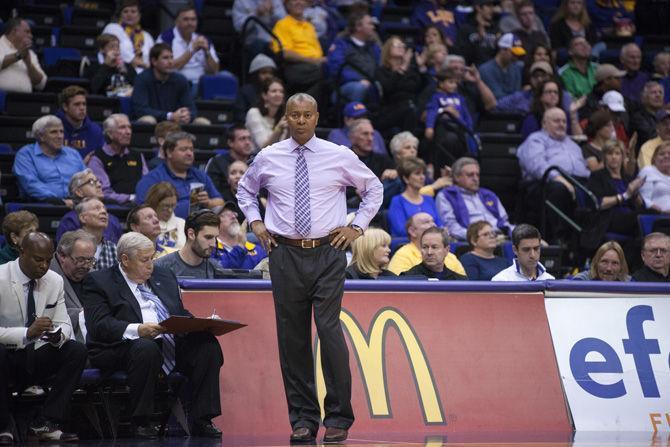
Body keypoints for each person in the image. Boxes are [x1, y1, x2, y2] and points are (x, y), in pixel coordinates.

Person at [237, 92, 383, 443]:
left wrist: (357, 227)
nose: (300, 121)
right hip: (284, 253)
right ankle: (302, 419)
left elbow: (373, 189)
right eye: (294, 115)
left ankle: (338, 418)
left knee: (329, 332)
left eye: (307, 115)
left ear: (317, 117)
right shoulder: (268, 157)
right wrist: (256, 223)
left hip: (328, 251)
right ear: (286, 118)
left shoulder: (339, 155)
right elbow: (244, 191)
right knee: (293, 339)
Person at [82, 232, 224, 438]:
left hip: (167, 342)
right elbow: (99, 325)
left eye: (153, 258)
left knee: (206, 345)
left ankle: (202, 420)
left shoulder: (163, 275)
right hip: (120, 348)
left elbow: (178, 312)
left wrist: (202, 324)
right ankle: (141, 421)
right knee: (145, 347)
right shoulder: (99, 281)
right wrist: (138, 329)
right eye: (145, 260)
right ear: (125, 260)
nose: (151, 265)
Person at [0, 233, 86, 443]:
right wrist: (27, 332)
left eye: (49, 260)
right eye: (39, 259)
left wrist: (58, 336)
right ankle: (3, 426)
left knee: (76, 350)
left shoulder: (54, 281)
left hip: (37, 354)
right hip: (7, 356)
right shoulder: (1, 278)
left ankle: (46, 421)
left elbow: (64, 323)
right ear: (22, 252)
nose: (44, 265)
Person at [516, 107, 590, 241]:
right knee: (558, 189)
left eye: (564, 121)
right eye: (556, 121)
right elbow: (536, 164)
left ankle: (588, 242)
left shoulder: (573, 144)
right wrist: (558, 178)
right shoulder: (536, 139)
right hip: (545, 183)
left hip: (577, 182)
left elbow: (584, 168)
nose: (561, 124)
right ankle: (559, 239)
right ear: (544, 123)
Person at [135, 131, 224, 218]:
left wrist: (208, 202)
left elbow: (220, 202)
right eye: (183, 149)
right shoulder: (152, 179)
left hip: (198, 226)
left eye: (191, 149)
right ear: (169, 152)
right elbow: (143, 211)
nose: (189, 153)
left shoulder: (200, 176)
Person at [13, 115, 86, 206]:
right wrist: (59, 202)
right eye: (54, 132)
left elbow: (86, 179)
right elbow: (31, 184)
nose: (60, 136)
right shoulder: (25, 155)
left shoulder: (73, 154)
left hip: (78, 205)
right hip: (43, 206)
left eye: (61, 132)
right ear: (41, 136)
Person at [436, 157, 514, 241]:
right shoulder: (446, 195)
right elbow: (451, 228)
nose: (475, 178)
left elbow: (504, 221)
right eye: (470, 175)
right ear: (456, 177)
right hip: (471, 241)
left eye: (477, 175)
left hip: (499, 237)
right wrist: (478, 237)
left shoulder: (488, 194)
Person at [156, 5, 220, 97]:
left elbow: (215, 70)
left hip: (202, 82)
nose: (190, 23)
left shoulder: (203, 39)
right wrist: (192, 50)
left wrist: (207, 52)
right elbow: (168, 67)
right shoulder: (166, 38)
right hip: (176, 82)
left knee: (227, 77)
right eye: (186, 19)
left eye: (193, 19)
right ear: (177, 22)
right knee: (184, 83)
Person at [271, 0, 327, 105]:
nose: (299, 2)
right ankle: (302, 108)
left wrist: (322, 60)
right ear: (287, 5)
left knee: (334, 72)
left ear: (306, 4)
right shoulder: (282, 24)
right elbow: (285, 53)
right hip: (294, 67)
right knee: (324, 73)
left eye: (302, 0)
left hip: (315, 65)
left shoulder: (309, 26)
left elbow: (318, 52)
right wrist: (312, 61)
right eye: (294, 0)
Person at [131, 43, 202, 125]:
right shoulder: (142, 79)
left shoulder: (180, 80)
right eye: (165, 58)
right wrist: (169, 116)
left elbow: (192, 109)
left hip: (176, 122)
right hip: (156, 122)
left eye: (172, 57)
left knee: (202, 122)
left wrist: (186, 115)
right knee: (148, 120)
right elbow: (140, 110)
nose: (170, 62)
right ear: (154, 61)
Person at [88, 114, 148, 205]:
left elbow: (147, 183)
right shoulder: (98, 158)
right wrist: (130, 198)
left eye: (129, 127)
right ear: (110, 134)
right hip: (114, 207)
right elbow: (103, 192)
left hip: (140, 203)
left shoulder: (138, 156)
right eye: (122, 127)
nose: (128, 132)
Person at [50, 230, 97, 343]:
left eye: (90, 260)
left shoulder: (93, 274)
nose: (86, 266)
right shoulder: (45, 276)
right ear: (62, 256)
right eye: (80, 260)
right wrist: (82, 314)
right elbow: (45, 317)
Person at [425, 68, 476, 168]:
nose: (454, 85)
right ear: (441, 83)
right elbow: (432, 112)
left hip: (459, 128)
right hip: (443, 129)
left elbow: (467, 118)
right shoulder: (436, 97)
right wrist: (429, 127)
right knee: (448, 140)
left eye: (455, 83)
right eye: (450, 82)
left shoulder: (460, 99)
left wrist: (458, 117)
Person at [387, 212, 466, 276]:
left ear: (446, 250)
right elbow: (399, 287)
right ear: (412, 231)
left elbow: (464, 286)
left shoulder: (451, 257)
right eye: (426, 222)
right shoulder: (402, 255)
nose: (433, 225)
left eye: (433, 221)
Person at [373, 36, 423, 137]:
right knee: (409, 109)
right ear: (388, 49)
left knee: (412, 109)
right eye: (397, 45)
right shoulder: (381, 71)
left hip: (411, 107)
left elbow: (415, 87)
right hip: (388, 111)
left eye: (403, 46)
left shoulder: (411, 71)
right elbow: (388, 89)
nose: (401, 47)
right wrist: (403, 68)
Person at [55, 170, 124, 243]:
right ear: (79, 192)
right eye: (91, 182)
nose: (99, 185)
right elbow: (64, 251)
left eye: (98, 181)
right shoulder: (70, 220)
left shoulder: (113, 220)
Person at [326, 10, 380, 103]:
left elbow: (381, 66)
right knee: (359, 88)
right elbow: (336, 68)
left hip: (371, 84)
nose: (373, 27)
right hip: (346, 87)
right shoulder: (341, 44)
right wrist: (359, 79)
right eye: (370, 24)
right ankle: (354, 116)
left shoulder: (373, 46)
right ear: (358, 26)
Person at [154, 210, 224, 277]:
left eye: (215, 238)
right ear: (191, 234)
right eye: (208, 237)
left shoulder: (216, 269)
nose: (213, 244)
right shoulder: (161, 266)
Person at [388, 157, 442, 237]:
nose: (422, 177)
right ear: (406, 178)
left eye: (423, 173)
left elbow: (439, 225)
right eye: (417, 173)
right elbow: (401, 230)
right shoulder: (397, 201)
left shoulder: (429, 199)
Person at [101, 0, 155, 71]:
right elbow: (121, 53)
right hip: (119, 71)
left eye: (133, 11)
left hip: (145, 73)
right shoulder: (113, 28)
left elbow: (154, 56)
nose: (129, 14)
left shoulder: (147, 36)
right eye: (125, 11)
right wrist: (144, 65)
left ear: (139, 15)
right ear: (120, 15)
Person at [56, 85, 105, 160]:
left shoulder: (95, 131)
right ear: (65, 107)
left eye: (84, 104)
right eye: (77, 104)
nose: (82, 108)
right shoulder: (52, 129)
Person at [212, 203, 267, 269]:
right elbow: (220, 270)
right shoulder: (211, 249)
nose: (233, 217)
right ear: (214, 224)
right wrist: (240, 246)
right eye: (225, 215)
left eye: (234, 214)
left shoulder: (256, 250)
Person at [401, 226, 467, 280]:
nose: (429, 252)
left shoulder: (460, 281)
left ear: (446, 250)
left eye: (434, 247)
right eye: (425, 247)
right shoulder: (407, 278)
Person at [0, 17, 47, 93]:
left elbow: (41, 84)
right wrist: (18, 55)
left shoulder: (31, 53)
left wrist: (29, 64)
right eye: (27, 32)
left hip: (23, 101)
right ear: (14, 31)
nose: (31, 36)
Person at [206, 124, 254, 197]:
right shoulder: (217, 163)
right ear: (230, 143)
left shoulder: (256, 161)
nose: (247, 142)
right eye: (242, 139)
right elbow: (212, 192)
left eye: (249, 138)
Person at [245, 77, 289, 151]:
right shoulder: (254, 113)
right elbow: (263, 147)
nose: (278, 94)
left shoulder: (283, 116)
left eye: (281, 91)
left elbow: (285, 146)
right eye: (274, 91)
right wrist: (279, 128)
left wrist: (289, 130)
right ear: (264, 95)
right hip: (255, 158)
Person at [479, 33, 526, 100]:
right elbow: (498, 97)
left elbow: (517, 93)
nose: (516, 58)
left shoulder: (516, 68)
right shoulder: (486, 70)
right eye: (513, 54)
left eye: (518, 55)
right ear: (503, 50)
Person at [233, 53, 278, 122]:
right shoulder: (245, 92)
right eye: (264, 73)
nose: (268, 76)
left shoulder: (277, 91)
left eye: (270, 73)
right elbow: (239, 116)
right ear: (255, 75)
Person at [75, 198, 117, 270]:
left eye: (105, 210)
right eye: (97, 209)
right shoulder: (71, 244)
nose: (104, 212)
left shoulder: (113, 248)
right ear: (83, 218)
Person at [454, 0, 500, 66]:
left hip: (492, 70)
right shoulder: (466, 29)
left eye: (493, 6)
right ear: (478, 8)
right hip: (473, 69)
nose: (492, 9)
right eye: (488, 6)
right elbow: (461, 55)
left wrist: (499, 44)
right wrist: (479, 39)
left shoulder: (495, 29)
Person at [144, 181, 186, 250]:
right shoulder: (144, 225)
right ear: (154, 204)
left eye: (173, 205)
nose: (170, 210)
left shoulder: (182, 223)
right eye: (165, 206)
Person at [638, 141, 670, 213]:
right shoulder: (648, 171)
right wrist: (661, 211)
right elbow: (644, 199)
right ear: (654, 158)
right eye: (661, 154)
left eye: (669, 154)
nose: (666, 156)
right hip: (658, 217)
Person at [630, 81, 665, 148]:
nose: (658, 95)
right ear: (644, 97)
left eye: (660, 92)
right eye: (653, 93)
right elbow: (651, 136)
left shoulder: (665, 116)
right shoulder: (638, 118)